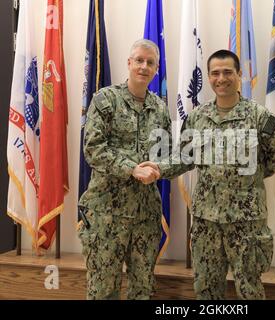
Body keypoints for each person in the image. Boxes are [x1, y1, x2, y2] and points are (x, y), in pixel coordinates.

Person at [142, 49, 275, 299]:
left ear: (239, 74)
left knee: (249, 289)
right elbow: (184, 157)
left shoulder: (258, 116)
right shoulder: (198, 117)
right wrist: (159, 168)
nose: (221, 78)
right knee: (206, 289)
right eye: (215, 73)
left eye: (227, 72)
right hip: (206, 220)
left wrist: (251, 176)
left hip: (246, 222)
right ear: (209, 77)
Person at [77, 39, 171, 300]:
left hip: (145, 216)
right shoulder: (106, 100)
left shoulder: (160, 109)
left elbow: (165, 154)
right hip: (107, 215)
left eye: (150, 62)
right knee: (103, 290)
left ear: (156, 69)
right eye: (139, 60)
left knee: (142, 290)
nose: (144, 66)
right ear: (129, 63)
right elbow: (93, 150)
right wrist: (132, 169)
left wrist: (164, 167)